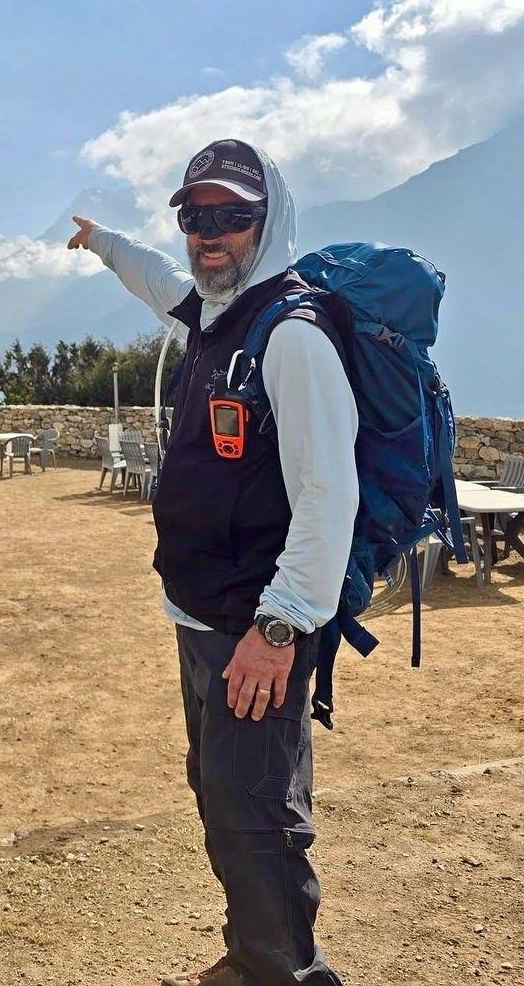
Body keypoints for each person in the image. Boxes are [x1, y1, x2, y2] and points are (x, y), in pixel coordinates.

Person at [68, 138, 357, 986]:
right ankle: (252, 958)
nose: (210, 233)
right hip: (201, 618)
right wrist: (103, 243)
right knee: (224, 797)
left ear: (270, 222)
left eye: (233, 216)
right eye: (197, 217)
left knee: (258, 814)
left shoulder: (292, 335)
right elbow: (156, 277)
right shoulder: (210, 312)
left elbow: (327, 496)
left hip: (254, 631)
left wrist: (280, 628)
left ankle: (289, 972)